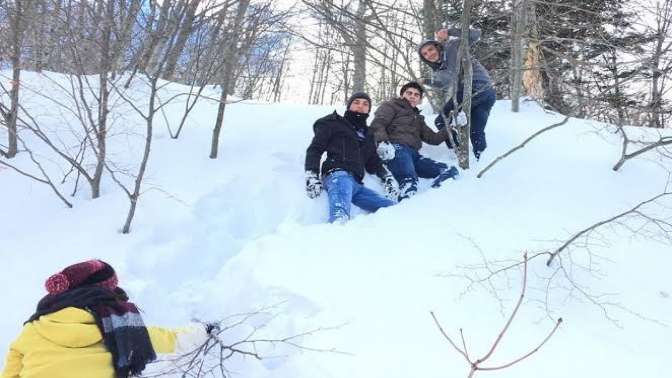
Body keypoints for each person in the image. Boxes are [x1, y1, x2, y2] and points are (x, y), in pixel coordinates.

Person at [0, 259, 207, 378]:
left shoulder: (34, 328)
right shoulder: (116, 321)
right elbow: (164, 339)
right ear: (104, 292)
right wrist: (203, 332)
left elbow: (11, 373)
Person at [305, 92, 397, 223]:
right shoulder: (334, 123)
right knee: (340, 218)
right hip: (337, 175)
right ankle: (335, 235)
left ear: (369, 109)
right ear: (349, 106)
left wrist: (387, 177)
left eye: (365, 104)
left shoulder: (368, 134)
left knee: (392, 208)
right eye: (356, 102)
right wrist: (311, 175)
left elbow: (373, 163)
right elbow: (315, 149)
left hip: (357, 185)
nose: (360, 106)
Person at [370, 82, 459, 201]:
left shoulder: (418, 118)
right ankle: (400, 208)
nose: (413, 96)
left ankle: (433, 198)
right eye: (409, 93)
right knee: (409, 182)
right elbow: (378, 124)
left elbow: (433, 139)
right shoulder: (390, 106)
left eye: (416, 95)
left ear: (420, 100)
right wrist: (382, 142)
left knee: (449, 171)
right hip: (395, 150)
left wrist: (451, 126)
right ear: (402, 95)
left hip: (414, 155)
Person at [418, 27, 496, 160]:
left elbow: (476, 34)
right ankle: (479, 158)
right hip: (484, 94)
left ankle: (458, 151)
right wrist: (426, 81)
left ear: (437, 47)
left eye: (430, 49)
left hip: (477, 88)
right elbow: (444, 83)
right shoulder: (439, 69)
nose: (429, 54)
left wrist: (449, 32)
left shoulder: (452, 47)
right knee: (475, 131)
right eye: (425, 54)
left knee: (441, 121)